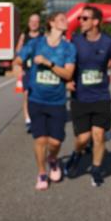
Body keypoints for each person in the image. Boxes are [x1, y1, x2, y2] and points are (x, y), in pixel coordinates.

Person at [15, 12, 76, 191]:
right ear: (51, 23)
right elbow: (18, 59)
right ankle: (42, 173)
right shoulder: (36, 43)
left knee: (55, 142)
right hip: (36, 99)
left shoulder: (68, 48)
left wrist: (48, 63)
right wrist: (19, 67)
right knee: (40, 140)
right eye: (62, 19)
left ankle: (53, 159)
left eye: (66, 19)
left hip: (57, 101)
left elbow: (68, 74)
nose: (66, 21)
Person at [65, 5, 111, 187]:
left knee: (98, 135)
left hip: (101, 96)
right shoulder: (75, 41)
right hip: (80, 96)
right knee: (83, 138)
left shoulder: (108, 42)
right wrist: (67, 81)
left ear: (95, 22)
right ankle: (77, 153)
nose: (80, 21)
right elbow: (66, 63)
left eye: (84, 18)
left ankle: (96, 170)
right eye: (79, 18)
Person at [15, 14, 43, 132]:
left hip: (40, 70)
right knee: (27, 94)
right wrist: (19, 68)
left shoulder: (43, 37)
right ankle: (28, 120)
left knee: (40, 95)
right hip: (27, 70)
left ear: (39, 23)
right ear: (28, 23)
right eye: (32, 21)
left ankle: (39, 118)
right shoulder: (24, 36)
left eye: (36, 21)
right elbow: (18, 52)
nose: (34, 23)